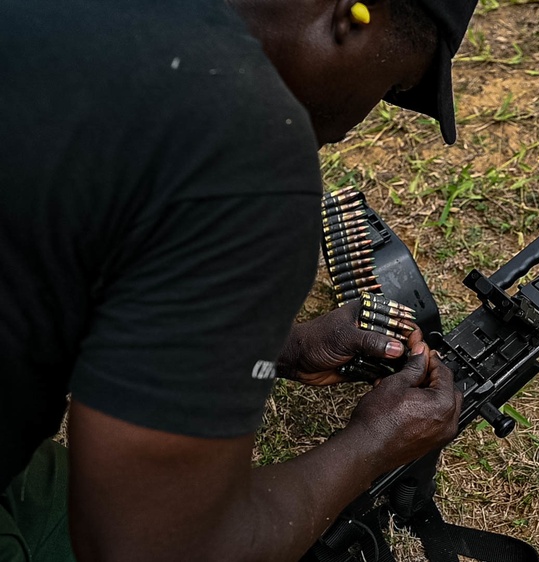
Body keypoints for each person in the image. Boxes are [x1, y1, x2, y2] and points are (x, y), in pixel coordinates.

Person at [0, 0, 477, 560]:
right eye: (393, 84)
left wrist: (274, 348)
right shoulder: (243, 153)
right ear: (351, 16)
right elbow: (156, 549)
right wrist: (375, 442)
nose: (354, 128)